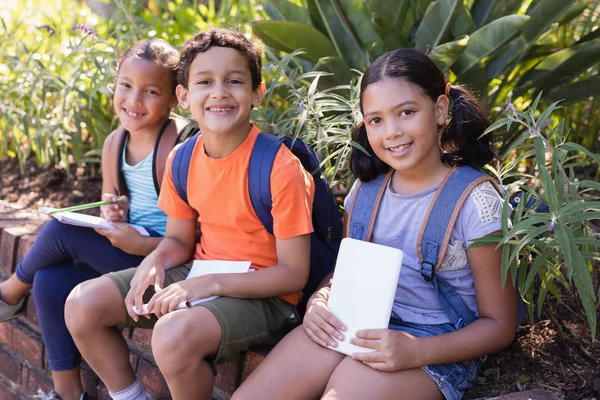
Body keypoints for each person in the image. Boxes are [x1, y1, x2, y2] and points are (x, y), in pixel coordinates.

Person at [233, 48, 517, 400]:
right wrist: (321, 299)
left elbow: (500, 325)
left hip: (435, 346)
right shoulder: (365, 192)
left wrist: (415, 351)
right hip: (356, 322)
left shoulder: (475, 202)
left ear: (440, 110)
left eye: (407, 112)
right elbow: (344, 273)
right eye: (376, 120)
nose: (392, 132)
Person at [64, 28, 315, 400]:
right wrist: (155, 260)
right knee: (82, 304)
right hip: (200, 273)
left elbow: (293, 274)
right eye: (204, 82)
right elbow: (179, 240)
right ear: (183, 96)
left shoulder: (280, 168)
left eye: (234, 81)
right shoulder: (182, 158)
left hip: (266, 295)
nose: (219, 92)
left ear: (257, 93)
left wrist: (209, 284)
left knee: (172, 335)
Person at [0, 38, 181, 400]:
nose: (134, 100)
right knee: (50, 281)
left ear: (175, 98)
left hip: (163, 264)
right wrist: (112, 212)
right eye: (126, 86)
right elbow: (108, 205)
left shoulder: (174, 147)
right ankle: (68, 394)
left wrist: (140, 243)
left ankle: (10, 291)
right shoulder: (116, 142)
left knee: (59, 230)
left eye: (150, 92)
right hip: (129, 252)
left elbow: (197, 237)